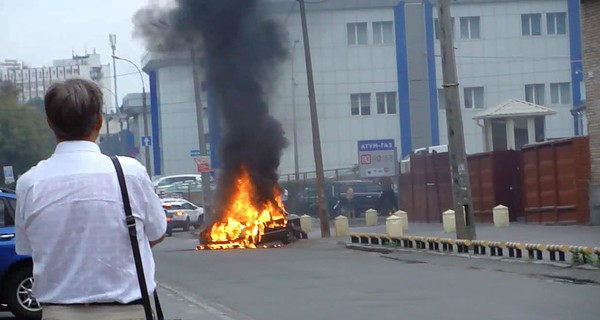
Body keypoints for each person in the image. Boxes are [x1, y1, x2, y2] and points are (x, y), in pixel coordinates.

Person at [15, 79, 166, 319]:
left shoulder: (29, 183)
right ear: (99, 121)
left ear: (49, 123)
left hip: (58, 313)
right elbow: (156, 233)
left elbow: (28, 248)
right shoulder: (129, 173)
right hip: (129, 311)